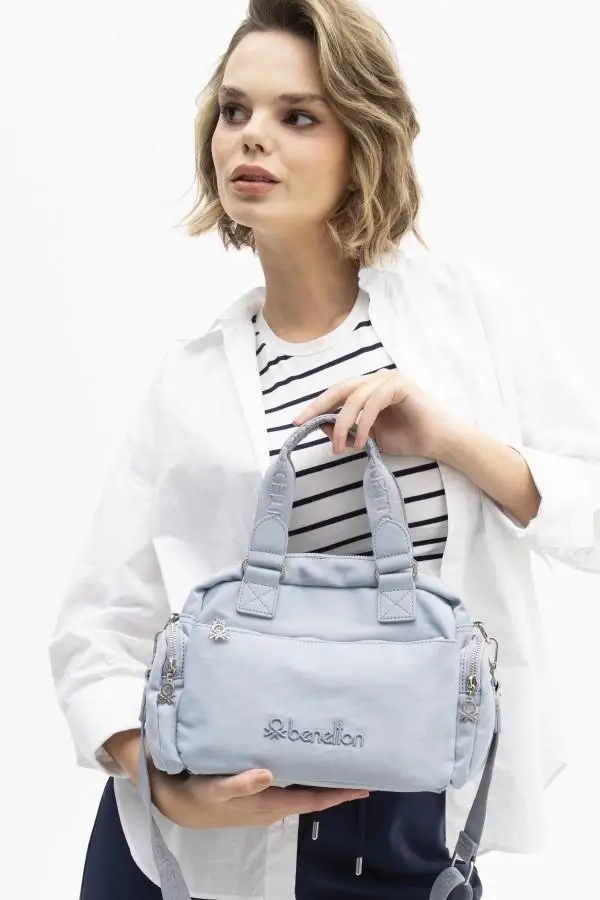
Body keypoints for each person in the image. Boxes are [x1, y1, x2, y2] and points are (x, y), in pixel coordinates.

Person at [49, 1, 600, 899]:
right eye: (234, 110)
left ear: (362, 143)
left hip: (409, 828)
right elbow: (98, 630)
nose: (251, 136)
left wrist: (452, 440)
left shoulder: (468, 318)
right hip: (200, 846)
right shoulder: (189, 383)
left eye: (297, 116)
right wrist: (166, 784)